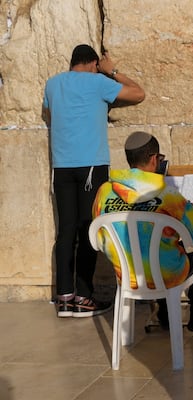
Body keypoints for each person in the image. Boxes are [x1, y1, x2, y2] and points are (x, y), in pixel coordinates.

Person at [42, 44, 145, 318]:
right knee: (89, 229)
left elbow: (49, 111)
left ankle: (64, 297)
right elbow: (138, 94)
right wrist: (113, 71)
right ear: (92, 64)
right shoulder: (98, 82)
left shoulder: (52, 85)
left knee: (65, 231)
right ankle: (84, 297)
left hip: (62, 167)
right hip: (91, 165)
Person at [92, 131, 193, 331]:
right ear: (154, 159)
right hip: (167, 276)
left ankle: (164, 312)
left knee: (151, 250)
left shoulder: (104, 191)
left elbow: (98, 238)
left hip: (127, 275)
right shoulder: (170, 196)